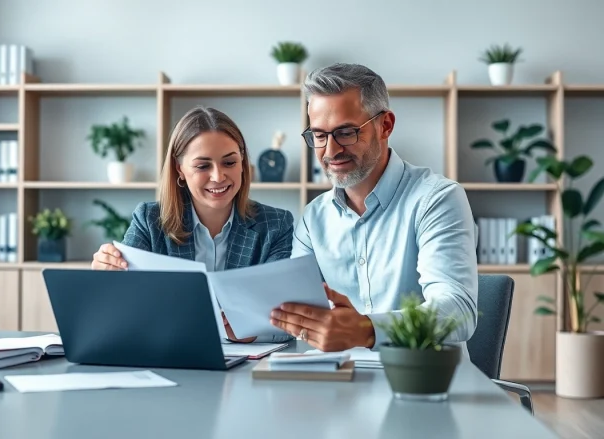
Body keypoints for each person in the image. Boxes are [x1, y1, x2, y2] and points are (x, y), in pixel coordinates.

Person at [269, 63, 478, 359]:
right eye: (319, 136)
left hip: (422, 378)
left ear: (385, 125)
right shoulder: (313, 218)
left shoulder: (437, 199)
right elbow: (298, 308)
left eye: (346, 132)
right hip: (340, 377)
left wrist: (367, 330)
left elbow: (458, 311)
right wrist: (253, 326)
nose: (330, 151)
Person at [91, 105, 295, 343]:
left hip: (248, 361)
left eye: (229, 162)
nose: (218, 176)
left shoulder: (275, 225)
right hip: (172, 356)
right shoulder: (149, 220)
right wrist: (106, 279)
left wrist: (253, 331)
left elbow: (289, 322)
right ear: (180, 169)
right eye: (203, 166)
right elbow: (119, 310)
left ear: (242, 163)